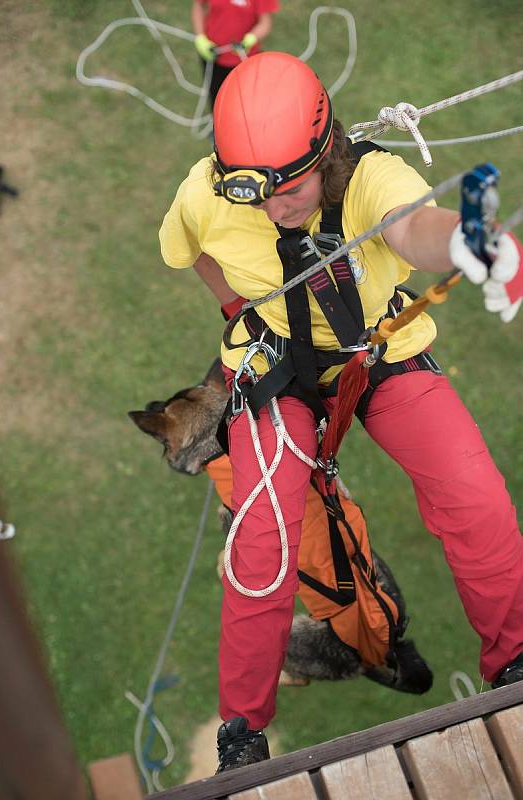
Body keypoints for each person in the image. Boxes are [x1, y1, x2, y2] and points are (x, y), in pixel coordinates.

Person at [159, 52, 523, 772]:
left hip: (375, 354)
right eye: (248, 192)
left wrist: (466, 242)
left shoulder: (367, 179)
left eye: (285, 190)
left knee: (473, 496)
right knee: (262, 546)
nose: (269, 209)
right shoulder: (207, 192)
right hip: (274, 368)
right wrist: (237, 307)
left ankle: (514, 664)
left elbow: (412, 225)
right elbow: (188, 246)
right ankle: (244, 731)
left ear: (323, 151)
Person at [191, 0, 279, 111]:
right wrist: (200, 37)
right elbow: (199, 5)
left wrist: (251, 38)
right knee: (218, 102)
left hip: (246, 63)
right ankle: (217, 126)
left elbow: (265, 23)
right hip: (212, 57)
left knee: (245, 107)